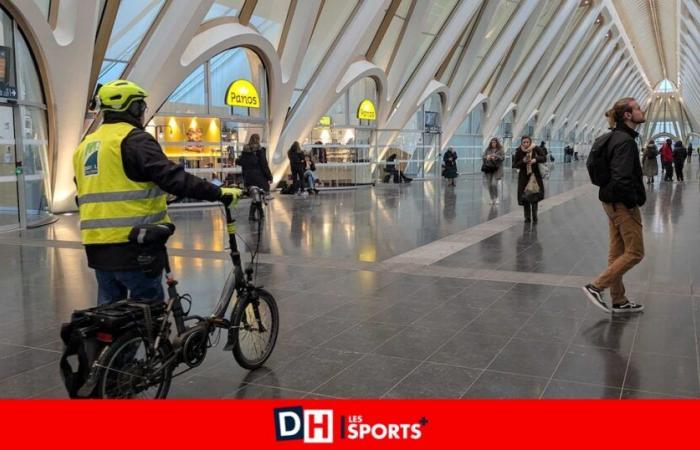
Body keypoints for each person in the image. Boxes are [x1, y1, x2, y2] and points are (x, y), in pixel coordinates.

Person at [73, 80, 239, 305]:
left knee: (111, 313)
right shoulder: (133, 140)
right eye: (140, 106)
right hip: (135, 245)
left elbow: (89, 189)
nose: (142, 112)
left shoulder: (85, 146)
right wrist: (218, 193)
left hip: (96, 248)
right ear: (131, 109)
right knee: (149, 310)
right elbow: (173, 178)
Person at [582, 97, 646, 313]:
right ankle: (596, 286)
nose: (641, 110)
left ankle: (619, 300)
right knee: (636, 252)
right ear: (627, 115)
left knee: (617, 253)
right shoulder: (626, 142)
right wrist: (632, 202)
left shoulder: (610, 138)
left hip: (609, 202)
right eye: (637, 108)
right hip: (622, 204)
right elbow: (622, 178)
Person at [235, 133, 273, 220]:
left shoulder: (245, 151)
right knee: (258, 196)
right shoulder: (260, 150)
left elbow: (240, 162)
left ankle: (254, 215)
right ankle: (259, 214)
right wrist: (269, 177)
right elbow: (264, 165)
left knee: (256, 196)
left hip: (248, 178)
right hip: (259, 178)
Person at [514, 136, 545, 223]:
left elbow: (544, 157)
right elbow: (515, 164)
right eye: (524, 142)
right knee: (525, 198)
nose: (526, 144)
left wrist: (535, 159)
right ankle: (527, 217)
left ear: (530, 142)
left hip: (535, 176)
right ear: (521, 143)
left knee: (534, 196)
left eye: (527, 142)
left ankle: (534, 215)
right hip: (524, 177)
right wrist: (523, 161)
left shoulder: (536, 148)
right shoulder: (519, 151)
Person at [482, 137, 505, 204]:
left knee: (494, 184)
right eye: (492, 142)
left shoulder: (500, 149)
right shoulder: (488, 149)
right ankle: (492, 198)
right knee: (489, 185)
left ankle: (497, 197)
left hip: (497, 169)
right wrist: (487, 157)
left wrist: (495, 156)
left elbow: (503, 158)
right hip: (488, 169)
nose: (493, 143)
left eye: (494, 142)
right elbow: (483, 156)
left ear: (497, 143)